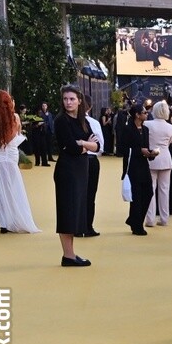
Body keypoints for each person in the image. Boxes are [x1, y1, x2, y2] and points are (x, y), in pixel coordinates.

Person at [53, 84, 100, 266]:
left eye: (72, 99)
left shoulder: (83, 121)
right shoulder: (61, 120)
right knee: (67, 212)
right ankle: (68, 255)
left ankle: (70, 254)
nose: (68, 102)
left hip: (80, 171)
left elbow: (97, 145)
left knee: (75, 212)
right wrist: (84, 145)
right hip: (67, 171)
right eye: (65, 99)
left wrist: (82, 143)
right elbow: (70, 147)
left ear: (79, 101)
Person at [0, 90, 41, 234]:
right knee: (13, 186)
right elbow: (14, 135)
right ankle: (15, 218)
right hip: (10, 154)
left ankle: (3, 223)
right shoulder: (14, 118)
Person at [122, 104, 158, 235]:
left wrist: (151, 153)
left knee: (148, 192)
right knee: (136, 196)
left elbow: (145, 147)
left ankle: (133, 220)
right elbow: (123, 149)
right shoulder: (128, 129)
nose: (147, 114)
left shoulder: (145, 129)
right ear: (137, 115)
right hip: (132, 166)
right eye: (144, 112)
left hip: (143, 165)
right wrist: (140, 151)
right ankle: (137, 225)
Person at [143, 101, 172, 227]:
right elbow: (169, 142)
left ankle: (150, 219)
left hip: (152, 158)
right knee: (164, 190)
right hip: (166, 158)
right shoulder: (170, 127)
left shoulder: (147, 124)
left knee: (150, 190)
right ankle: (164, 218)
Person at [78, 94, 104, 237]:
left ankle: (77, 227)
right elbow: (101, 146)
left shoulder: (71, 122)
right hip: (91, 160)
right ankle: (88, 227)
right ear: (91, 106)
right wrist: (90, 145)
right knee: (90, 195)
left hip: (78, 159)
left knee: (77, 194)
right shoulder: (94, 123)